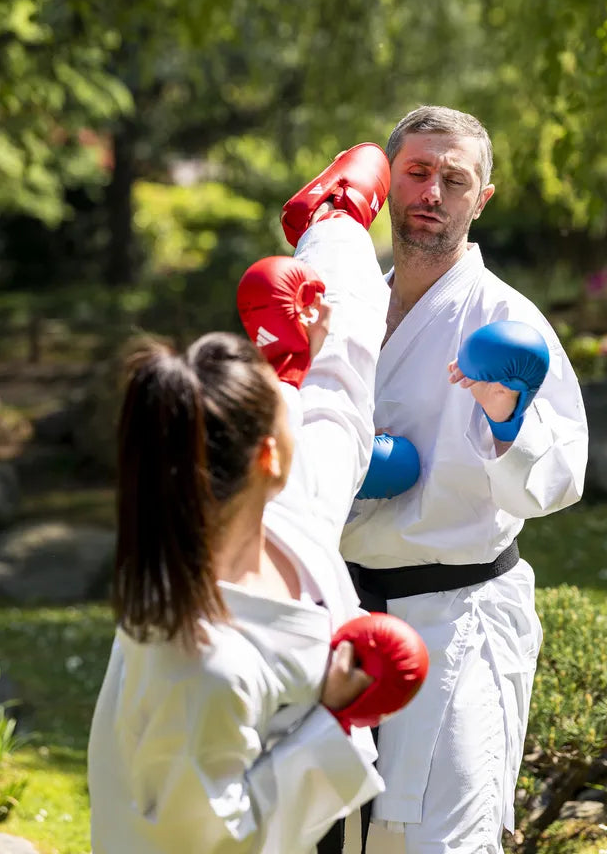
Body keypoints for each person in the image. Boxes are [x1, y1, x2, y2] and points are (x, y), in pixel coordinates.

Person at [87, 144, 430, 854]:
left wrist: (337, 224)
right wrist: (330, 723)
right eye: (284, 396)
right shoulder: (200, 663)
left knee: (333, 400)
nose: (295, 388)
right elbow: (203, 845)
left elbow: (337, 393)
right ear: (268, 457)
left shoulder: (278, 516)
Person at [326, 105, 589, 854]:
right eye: (416, 171)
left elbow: (559, 480)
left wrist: (508, 421)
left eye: (453, 178)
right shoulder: (345, 308)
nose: (431, 191)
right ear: (389, 180)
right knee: (331, 828)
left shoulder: (506, 318)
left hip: (455, 620)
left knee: (442, 838)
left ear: (481, 198)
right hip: (342, 608)